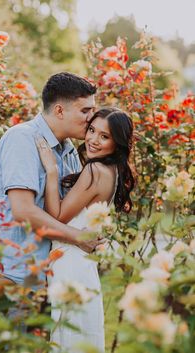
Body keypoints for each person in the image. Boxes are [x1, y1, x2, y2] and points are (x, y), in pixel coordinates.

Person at [0, 72, 103, 286]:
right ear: (59, 110)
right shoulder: (23, 139)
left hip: (47, 279)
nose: (92, 117)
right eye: (85, 110)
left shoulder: (69, 151)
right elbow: (24, 211)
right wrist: (78, 237)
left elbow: (63, 213)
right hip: (10, 275)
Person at [36, 107, 135, 352]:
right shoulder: (112, 171)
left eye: (104, 136)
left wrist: (51, 171)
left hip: (69, 266)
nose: (93, 139)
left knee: (66, 338)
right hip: (83, 267)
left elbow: (56, 215)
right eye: (91, 130)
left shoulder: (95, 171)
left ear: (117, 143)